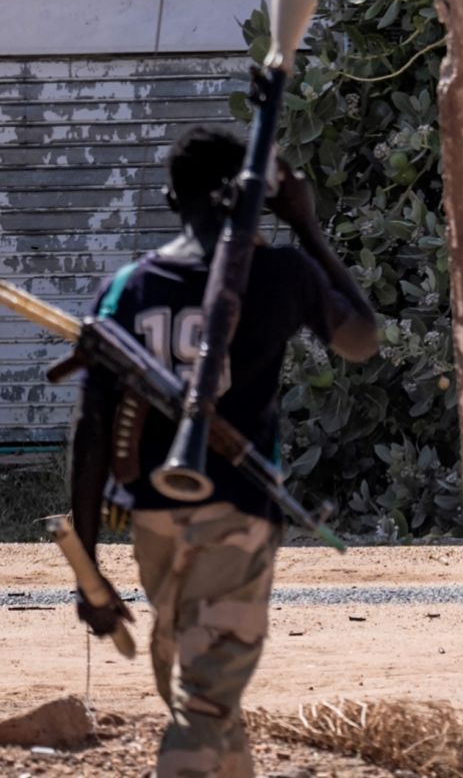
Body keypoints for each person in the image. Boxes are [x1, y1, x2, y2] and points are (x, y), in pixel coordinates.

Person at [69, 125, 379, 778]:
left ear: (169, 196)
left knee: (205, 691)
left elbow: (91, 433)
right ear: (256, 199)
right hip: (238, 515)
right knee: (205, 700)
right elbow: (361, 339)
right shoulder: (283, 273)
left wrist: (90, 568)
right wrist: (309, 228)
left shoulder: (128, 289)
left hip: (152, 519)